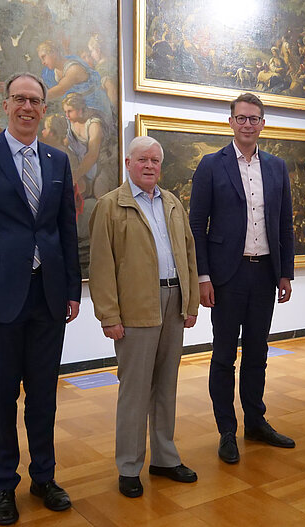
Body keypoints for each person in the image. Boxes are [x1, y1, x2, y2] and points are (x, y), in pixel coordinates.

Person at [0, 72, 81, 526]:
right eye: (20, 99)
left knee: (44, 396)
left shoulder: (57, 161)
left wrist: (72, 288)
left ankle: (43, 477)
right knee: (1, 398)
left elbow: (65, 230)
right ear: (6, 105)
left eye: (36, 101)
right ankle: (3, 484)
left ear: (45, 109)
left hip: (47, 298)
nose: (28, 107)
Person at [89, 136, 200, 498]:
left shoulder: (172, 204)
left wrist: (191, 304)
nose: (149, 165)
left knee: (166, 386)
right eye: (142, 159)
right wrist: (108, 315)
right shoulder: (110, 206)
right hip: (136, 308)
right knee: (135, 392)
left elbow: (189, 254)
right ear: (127, 163)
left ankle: (165, 458)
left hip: (173, 302)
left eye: (154, 160)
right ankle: (129, 466)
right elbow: (101, 266)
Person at [189, 92, 296, 464]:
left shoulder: (276, 166)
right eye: (242, 118)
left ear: (263, 123)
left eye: (255, 118)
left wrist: (285, 272)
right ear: (230, 122)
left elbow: (284, 222)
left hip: (264, 273)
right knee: (223, 356)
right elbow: (196, 226)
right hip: (225, 277)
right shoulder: (210, 165)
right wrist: (203, 276)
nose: (248, 124)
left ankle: (255, 420)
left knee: (258, 352)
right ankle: (226, 431)